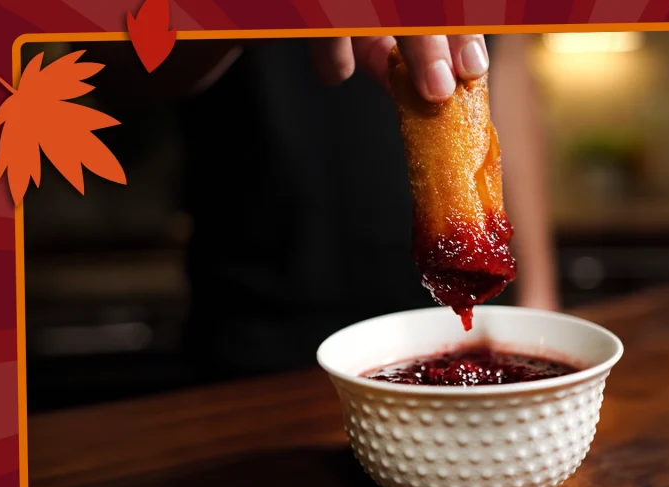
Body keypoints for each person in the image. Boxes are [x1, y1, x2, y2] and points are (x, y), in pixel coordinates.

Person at [81, 34, 560, 383]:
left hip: (467, 327)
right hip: (262, 335)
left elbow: (501, 62)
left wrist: (541, 304)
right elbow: (110, 67)